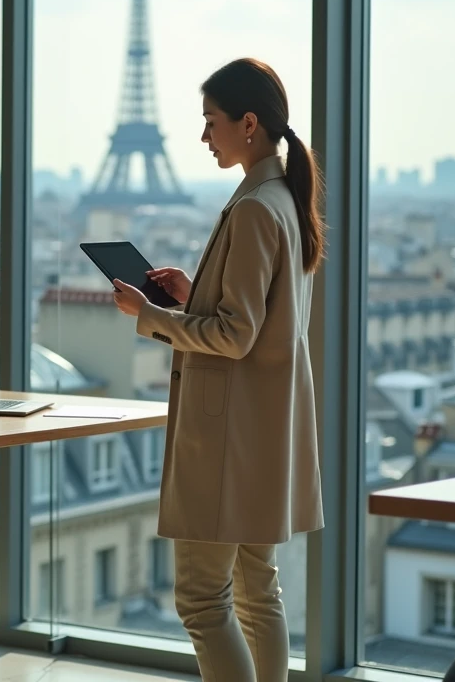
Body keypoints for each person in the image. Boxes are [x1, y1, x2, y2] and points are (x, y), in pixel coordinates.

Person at [110, 58, 325, 682]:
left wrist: (151, 315)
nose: (205, 137)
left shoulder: (256, 207)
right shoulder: (282, 197)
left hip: (229, 434)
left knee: (202, 601)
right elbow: (255, 317)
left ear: (248, 123)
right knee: (259, 591)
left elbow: (234, 336)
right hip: (266, 428)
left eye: (211, 122)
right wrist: (192, 293)